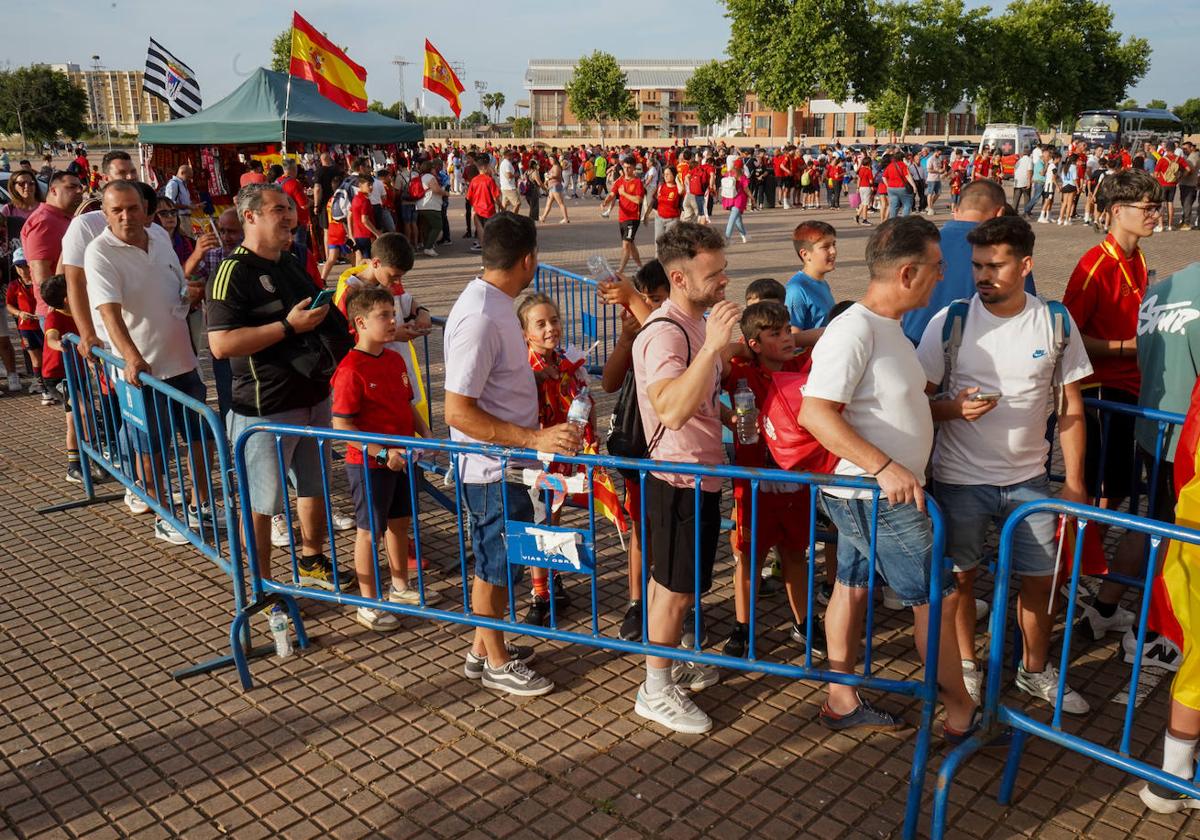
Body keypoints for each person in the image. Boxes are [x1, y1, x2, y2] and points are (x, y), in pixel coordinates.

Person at [800, 216, 979, 738]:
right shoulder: (854, 329)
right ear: (907, 273)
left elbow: (890, 407)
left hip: (873, 490)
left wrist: (947, 411)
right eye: (936, 268)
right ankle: (962, 712)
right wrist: (884, 466)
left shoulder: (889, 329)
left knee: (852, 586)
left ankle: (840, 698)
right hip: (875, 493)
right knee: (937, 599)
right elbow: (816, 414)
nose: (941, 278)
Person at [917, 216, 1092, 711]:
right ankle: (967, 668)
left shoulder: (1055, 322)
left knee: (1041, 580)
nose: (982, 276)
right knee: (962, 581)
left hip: (1030, 481)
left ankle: (1033, 670)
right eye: (976, 265)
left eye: (995, 265)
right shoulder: (949, 321)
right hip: (959, 480)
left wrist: (1075, 484)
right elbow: (915, 405)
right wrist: (953, 408)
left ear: (1026, 265)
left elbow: (1071, 408)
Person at [442, 212, 577, 697]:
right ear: (528, 260)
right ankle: (497, 662)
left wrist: (530, 380)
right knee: (497, 564)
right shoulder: (480, 315)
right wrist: (533, 439)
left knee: (503, 561)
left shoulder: (496, 304)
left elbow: (492, 379)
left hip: (507, 464)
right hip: (491, 467)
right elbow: (457, 410)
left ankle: (483, 650)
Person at [206, 183, 353, 591]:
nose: (289, 216)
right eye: (278, 209)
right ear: (250, 216)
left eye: (289, 208)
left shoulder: (289, 261)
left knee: (314, 485)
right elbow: (220, 344)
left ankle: (312, 561)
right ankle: (261, 585)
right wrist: (287, 326)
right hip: (265, 409)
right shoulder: (232, 271)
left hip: (312, 396)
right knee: (261, 504)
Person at [631, 222, 737, 734]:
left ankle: (665, 666)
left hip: (696, 475)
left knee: (668, 584)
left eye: (724, 271)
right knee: (672, 590)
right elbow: (670, 408)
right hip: (678, 479)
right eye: (713, 274)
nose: (724, 281)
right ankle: (655, 690)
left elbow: (694, 396)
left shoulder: (693, 323)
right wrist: (715, 346)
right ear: (678, 277)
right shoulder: (666, 332)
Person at [84, 180, 212, 545]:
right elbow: (108, 312)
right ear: (105, 214)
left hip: (182, 359)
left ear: (147, 209)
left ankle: (199, 502)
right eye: (116, 210)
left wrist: (188, 294)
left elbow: (172, 287)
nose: (126, 216)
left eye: (133, 208)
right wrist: (131, 357)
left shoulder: (158, 235)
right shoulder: (99, 252)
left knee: (200, 435)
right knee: (150, 445)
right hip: (142, 372)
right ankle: (160, 510)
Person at [721, 301, 824, 659]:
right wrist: (741, 345)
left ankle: (805, 623)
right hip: (752, 485)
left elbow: (831, 336)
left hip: (794, 483)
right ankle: (743, 628)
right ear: (754, 344)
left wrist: (795, 336)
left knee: (796, 555)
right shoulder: (740, 373)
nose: (785, 338)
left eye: (787, 330)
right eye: (775, 333)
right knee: (750, 558)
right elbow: (714, 359)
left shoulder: (799, 366)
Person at [331, 285, 434, 631]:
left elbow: (406, 404)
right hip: (369, 464)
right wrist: (380, 452)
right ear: (360, 322)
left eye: (393, 314)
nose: (393, 321)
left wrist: (427, 434)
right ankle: (367, 601)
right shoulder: (350, 369)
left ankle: (399, 586)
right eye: (384, 316)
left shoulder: (393, 358)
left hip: (403, 458)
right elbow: (342, 424)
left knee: (400, 521)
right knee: (368, 530)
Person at [600, 261, 672, 641]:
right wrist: (627, 340)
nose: (649, 309)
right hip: (638, 447)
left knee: (673, 533)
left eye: (657, 301)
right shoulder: (639, 333)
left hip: (674, 450)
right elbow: (610, 382)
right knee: (642, 529)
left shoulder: (679, 332)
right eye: (643, 301)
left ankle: (681, 605)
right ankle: (636, 602)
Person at [517, 292, 588, 625]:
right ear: (524, 332)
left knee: (554, 518)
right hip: (532, 456)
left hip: (563, 454)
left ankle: (553, 578)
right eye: (540, 323)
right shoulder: (519, 365)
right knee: (537, 521)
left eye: (554, 320)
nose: (550, 329)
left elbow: (583, 401)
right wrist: (533, 378)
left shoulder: (569, 360)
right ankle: (539, 592)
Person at [902, 179, 1035, 345]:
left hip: (912, 347)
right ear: (1000, 213)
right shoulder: (1007, 253)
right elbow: (1024, 313)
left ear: (956, 210)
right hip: (974, 356)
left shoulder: (919, 244)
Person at [20, 171, 83, 336]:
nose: (79, 191)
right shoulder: (43, 221)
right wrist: (61, 308)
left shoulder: (65, 218)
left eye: (80, 187)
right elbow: (42, 274)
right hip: (59, 313)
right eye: (71, 187)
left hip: (73, 308)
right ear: (53, 190)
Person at [38, 275, 88, 482]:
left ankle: (85, 461)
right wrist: (61, 344)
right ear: (67, 298)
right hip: (58, 375)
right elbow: (50, 337)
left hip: (77, 373)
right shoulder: (54, 317)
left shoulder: (78, 312)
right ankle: (74, 466)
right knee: (79, 414)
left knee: (81, 417)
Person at [785, 221, 837, 350]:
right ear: (805, 254)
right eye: (826, 247)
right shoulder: (796, 289)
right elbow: (792, 337)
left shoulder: (823, 283)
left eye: (834, 244)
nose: (833, 251)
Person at [5, 249, 45, 400]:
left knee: (48, 355)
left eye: (25, 265)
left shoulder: (40, 280)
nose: (22, 270)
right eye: (18, 267)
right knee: (35, 358)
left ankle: (51, 381)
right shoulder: (14, 285)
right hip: (26, 327)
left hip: (43, 324)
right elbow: (9, 305)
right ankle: (39, 382)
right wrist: (20, 313)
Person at [602, 157, 646, 276]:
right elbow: (612, 193)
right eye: (624, 167)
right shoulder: (620, 181)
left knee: (626, 244)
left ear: (633, 168)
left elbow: (639, 200)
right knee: (630, 244)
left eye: (629, 168)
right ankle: (640, 267)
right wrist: (606, 201)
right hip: (622, 217)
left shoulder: (637, 182)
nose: (626, 170)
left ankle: (619, 271)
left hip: (633, 218)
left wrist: (624, 194)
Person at [466, 155, 501, 254]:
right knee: (490, 234)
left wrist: (473, 206)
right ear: (484, 167)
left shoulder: (474, 181)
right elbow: (496, 197)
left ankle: (485, 254)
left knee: (481, 233)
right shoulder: (489, 180)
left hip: (478, 210)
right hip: (489, 210)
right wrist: (501, 207)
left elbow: (469, 197)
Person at [1154, 142, 1191, 232]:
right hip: (1173, 184)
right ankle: (1170, 225)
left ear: (1166, 149)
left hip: (1162, 184)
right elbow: (1188, 170)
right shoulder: (1179, 159)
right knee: (1170, 203)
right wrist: (1180, 177)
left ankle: (1161, 225)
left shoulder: (1162, 159)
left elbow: (1155, 174)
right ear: (1174, 149)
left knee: (1161, 205)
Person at [644, 164, 681, 252]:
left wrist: (678, 180)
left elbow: (681, 191)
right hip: (659, 219)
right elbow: (654, 202)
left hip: (673, 220)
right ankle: (658, 263)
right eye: (664, 174)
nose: (666, 176)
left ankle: (669, 263)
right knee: (658, 243)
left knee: (670, 244)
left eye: (668, 174)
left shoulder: (677, 189)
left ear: (674, 175)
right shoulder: (661, 187)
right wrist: (646, 215)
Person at [350, 175, 382, 265]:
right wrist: (377, 233)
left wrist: (351, 233)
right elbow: (365, 220)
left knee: (359, 260)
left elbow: (349, 215)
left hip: (357, 234)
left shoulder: (355, 199)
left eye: (372, 185)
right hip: (366, 234)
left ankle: (356, 277)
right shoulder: (365, 201)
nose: (371, 187)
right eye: (369, 185)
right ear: (360, 185)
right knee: (368, 261)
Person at [721, 160, 750, 244]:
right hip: (739, 199)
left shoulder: (729, 173)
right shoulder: (742, 176)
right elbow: (746, 189)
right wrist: (752, 198)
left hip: (730, 198)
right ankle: (727, 238)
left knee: (737, 219)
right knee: (733, 219)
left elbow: (722, 175)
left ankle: (744, 235)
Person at [539, 155, 570, 224]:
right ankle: (543, 217)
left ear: (555, 159)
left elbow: (556, 175)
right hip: (552, 187)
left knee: (560, 203)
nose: (550, 161)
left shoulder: (556, 166)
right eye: (549, 159)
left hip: (555, 186)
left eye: (551, 159)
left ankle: (566, 218)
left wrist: (548, 176)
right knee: (548, 203)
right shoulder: (554, 166)